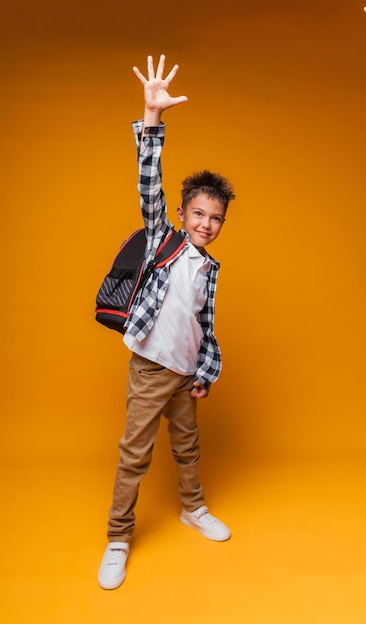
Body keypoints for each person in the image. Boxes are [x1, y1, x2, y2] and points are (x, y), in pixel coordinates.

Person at [98, 54, 235, 590]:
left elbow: (204, 321)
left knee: (187, 446)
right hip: (152, 369)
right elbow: (148, 182)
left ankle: (192, 509)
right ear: (181, 214)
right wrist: (152, 119)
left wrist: (205, 370)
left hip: (184, 375)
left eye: (216, 218)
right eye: (198, 213)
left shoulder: (210, 267)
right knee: (135, 454)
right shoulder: (164, 241)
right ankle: (117, 537)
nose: (206, 224)